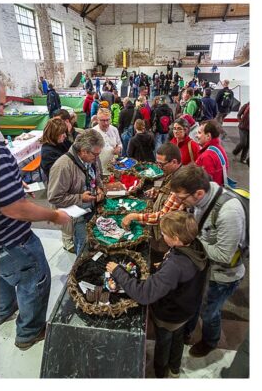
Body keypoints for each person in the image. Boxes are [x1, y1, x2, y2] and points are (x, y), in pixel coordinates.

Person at [0, 84, 70, 351]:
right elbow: (15, 208)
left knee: (3, 277)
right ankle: (29, 332)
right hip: (12, 239)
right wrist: (52, 215)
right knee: (35, 278)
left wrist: (16, 185)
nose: (3, 110)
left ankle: (4, 310)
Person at [106, 211, 208, 378]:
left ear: (175, 238)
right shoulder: (196, 245)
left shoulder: (175, 266)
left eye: (164, 233)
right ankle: (175, 368)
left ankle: (161, 374)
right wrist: (166, 264)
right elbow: (186, 270)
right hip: (186, 309)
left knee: (164, 342)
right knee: (178, 337)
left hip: (169, 314)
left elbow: (144, 294)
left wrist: (118, 271)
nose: (161, 235)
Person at [170, 164, 246, 357]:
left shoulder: (229, 212)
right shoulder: (203, 196)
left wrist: (189, 243)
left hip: (224, 275)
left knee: (209, 311)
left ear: (199, 193)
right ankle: (188, 331)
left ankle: (210, 341)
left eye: (182, 197)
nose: (179, 201)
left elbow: (223, 255)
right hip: (206, 266)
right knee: (196, 300)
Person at [121, 143, 182, 266]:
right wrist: (158, 192)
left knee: (157, 263)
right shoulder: (172, 175)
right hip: (159, 235)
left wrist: (133, 216)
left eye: (161, 164)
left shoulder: (180, 184)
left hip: (164, 239)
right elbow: (166, 195)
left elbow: (163, 217)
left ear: (174, 162)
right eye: (157, 163)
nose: (159, 167)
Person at [47, 130, 105, 256]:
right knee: (83, 247)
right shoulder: (62, 166)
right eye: (95, 154)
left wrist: (99, 188)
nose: (97, 157)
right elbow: (54, 198)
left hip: (92, 208)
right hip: (76, 217)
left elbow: (97, 175)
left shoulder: (93, 158)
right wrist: (80, 198)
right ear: (84, 151)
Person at [195, 119, 229, 186]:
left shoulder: (207, 156)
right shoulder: (218, 148)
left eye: (199, 133)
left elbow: (204, 184)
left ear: (208, 136)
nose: (196, 136)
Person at [93, 108, 122, 175]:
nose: (106, 123)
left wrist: (119, 149)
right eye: (103, 120)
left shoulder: (114, 129)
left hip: (114, 168)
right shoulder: (93, 132)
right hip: (100, 171)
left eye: (108, 120)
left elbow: (120, 143)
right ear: (97, 120)